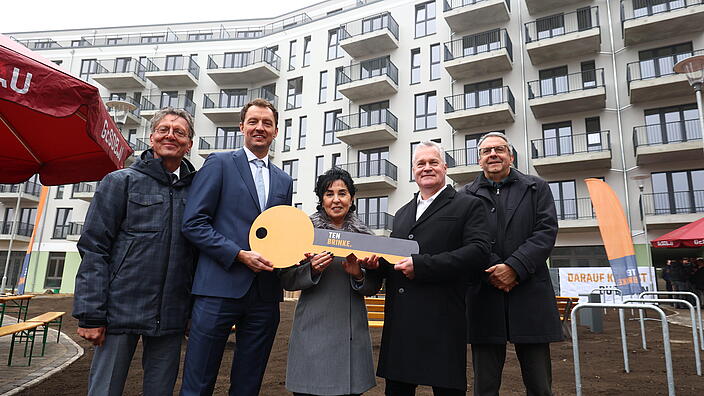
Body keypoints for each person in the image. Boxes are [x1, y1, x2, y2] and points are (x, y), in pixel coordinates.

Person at [72, 107, 197, 396]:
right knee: (105, 390)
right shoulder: (120, 182)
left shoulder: (197, 190)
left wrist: (192, 311)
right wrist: (90, 314)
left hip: (172, 314)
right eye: (164, 129)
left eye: (179, 132)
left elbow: (198, 255)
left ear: (189, 144)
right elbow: (94, 247)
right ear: (152, 137)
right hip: (119, 310)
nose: (171, 135)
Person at [180, 98, 293, 396]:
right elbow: (193, 223)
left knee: (248, 384)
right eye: (253, 122)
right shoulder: (219, 163)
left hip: (264, 295)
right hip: (218, 288)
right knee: (198, 381)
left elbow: (280, 232)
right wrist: (238, 254)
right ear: (241, 127)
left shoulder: (284, 180)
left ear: (276, 131)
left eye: (267, 123)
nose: (260, 128)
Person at [372, 141, 490, 395]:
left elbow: (479, 252)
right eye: (420, 164)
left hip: (443, 321)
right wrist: (372, 263)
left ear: (445, 167)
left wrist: (423, 266)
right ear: (413, 171)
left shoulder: (468, 205)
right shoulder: (402, 213)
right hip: (402, 323)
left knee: (446, 390)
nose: (426, 168)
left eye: (433, 162)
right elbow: (396, 257)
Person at [461, 131, 561, 396]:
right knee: (485, 385)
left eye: (499, 149)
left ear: (511, 156)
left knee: (539, 385)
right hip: (484, 295)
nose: (493, 154)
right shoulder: (464, 196)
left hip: (530, 293)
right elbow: (467, 240)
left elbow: (545, 232)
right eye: (486, 151)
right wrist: (494, 271)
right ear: (479, 160)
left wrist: (515, 267)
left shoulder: (536, 187)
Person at [280, 167, 382, 396]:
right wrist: (312, 269)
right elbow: (286, 279)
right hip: (312, 329)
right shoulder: (303, 233)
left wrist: (358, 274)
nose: (336, 200)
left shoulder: (365, 237)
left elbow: (373, 287)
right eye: (329, 193)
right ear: (321, 199)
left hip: (350, 332)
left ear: (352, 198)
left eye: (342, 193)